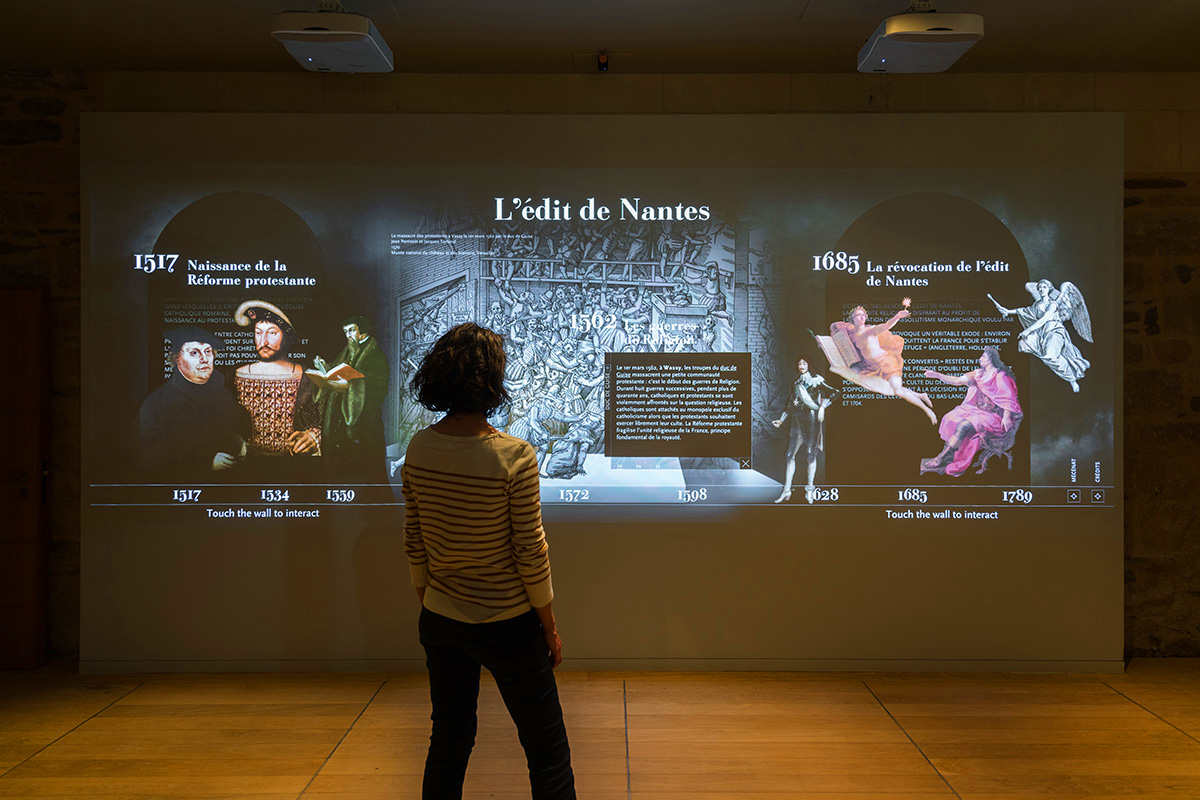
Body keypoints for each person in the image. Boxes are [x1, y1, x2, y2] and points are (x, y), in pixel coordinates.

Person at [401, 322, 575, 800]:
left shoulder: (418, 449)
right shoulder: (513, 456)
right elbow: (530, 551)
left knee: (449, 740)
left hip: (440, 617)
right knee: (547, 750)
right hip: (509, 621)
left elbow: (414, 539)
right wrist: (549, 624)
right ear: (494, 381)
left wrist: (432, 601)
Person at [138, 326, 250, 479]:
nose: (204, 359)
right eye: (194, 353)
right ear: (177, 358)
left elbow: (237, 428)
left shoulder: (224, 395)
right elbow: (151, 456)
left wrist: (241, 442)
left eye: (208, 351)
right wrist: (206, 460)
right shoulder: (157, 404)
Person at [232, 300, 324, 456]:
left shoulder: (307, 376)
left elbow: (321, 419)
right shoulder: (236, 376)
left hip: (294, 466)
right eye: (258, 332)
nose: (264, 341)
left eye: (272, 332)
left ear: (286, 337)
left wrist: (313, 437)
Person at [921, 347, 1022, 476]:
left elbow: (1009, 397)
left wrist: (1007, 417)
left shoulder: (1000, 376)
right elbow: (957, 381)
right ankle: (949, 455)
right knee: (950, 418)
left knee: (964, 424)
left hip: (994, 416)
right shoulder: (978, 374)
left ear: (991, 359)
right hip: (978, 412)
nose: (980, 359)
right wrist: (937, 375)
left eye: (983, 356)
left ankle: (941, 457)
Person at [832, 305, 936, 424]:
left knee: (897, 391)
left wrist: (898, 316)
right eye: (858, 315)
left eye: (863, 315)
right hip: (870, 366)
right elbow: (841, 343)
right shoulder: (851, 335)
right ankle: (921, 395)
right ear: (852, 318)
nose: (861, 317)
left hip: (887, 363)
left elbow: (887, 325)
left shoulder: (871, 330)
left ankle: (927, 410)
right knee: (850, 373)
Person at [314, 314, 391, 463]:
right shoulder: (347, 351)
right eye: (346, 332)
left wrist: (350, 385)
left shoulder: (375, 354)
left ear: (362, 330)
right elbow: (336, 370)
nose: (348, 335)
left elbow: (379, 384)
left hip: (366, 422)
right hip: (341, 421)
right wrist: (324, 367)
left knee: (365, 464)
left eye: (351, 330)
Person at [992, 280, 1092, 392]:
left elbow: (1044, 319)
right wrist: (1007, 311)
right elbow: (1025, 311)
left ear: (1049, 289)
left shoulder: (1053, 304)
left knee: (1051, 356)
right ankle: (1061, 369)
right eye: (1039, 287)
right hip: (1043, 333)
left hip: (1055, 332)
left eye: (1044, 287)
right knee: (1025, 344)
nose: (1041, 289)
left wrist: (1027, 330)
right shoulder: (1037, 304)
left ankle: (1072, 379)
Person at [771, 356, 833, 504]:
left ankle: (809, 491)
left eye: (804, 363)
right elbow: (790, 403)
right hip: (796, 421)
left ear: (809, 364)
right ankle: (786, 490)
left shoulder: (816, 380)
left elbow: (834, 392)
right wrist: (781, 419)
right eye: (799, 363)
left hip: (811, 421)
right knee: (789, 455)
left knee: (811, 454)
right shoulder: (796, 383)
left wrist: (823, 407)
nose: (801, 365)